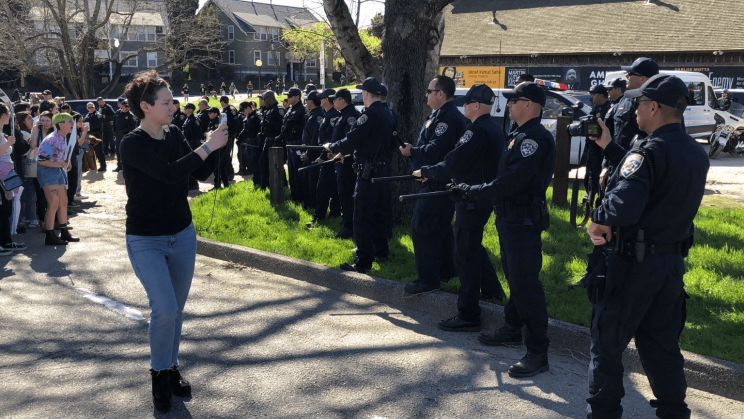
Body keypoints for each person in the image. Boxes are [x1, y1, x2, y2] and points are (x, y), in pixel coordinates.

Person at [584, 74, 709, 419]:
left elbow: (624, 206)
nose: (634, 109)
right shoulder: (695, 154)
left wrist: (598, 217)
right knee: (662, 347)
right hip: (669, 267)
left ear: (653, 107)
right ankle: (673, 412)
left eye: (639, 103)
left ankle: (604, 413)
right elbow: (655, 184)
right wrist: (611, 148)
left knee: (606, 346)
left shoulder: (647, 151)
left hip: (632, 268)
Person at [120, 70, 228, 412]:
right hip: (145, 238)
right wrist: (207, 145)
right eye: (166, 102)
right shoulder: (131, 143)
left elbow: (196, 174)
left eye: (172, 101)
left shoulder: (176, 132)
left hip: (182, 233)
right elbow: (167, 174)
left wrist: (218, 146)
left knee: (176, 311)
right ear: (146, 106)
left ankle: (171, 367)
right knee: (164, 308)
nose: (173, 106)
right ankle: (158, 374)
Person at [454, 82, 555, 378]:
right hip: (510, 220)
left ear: (530, 105)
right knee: (514, 277)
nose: (509, 105)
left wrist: (474, 190)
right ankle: (513, 327)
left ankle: (538, 353)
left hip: (523, 221)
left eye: (514, 101)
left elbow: (512, 180)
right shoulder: (518, 134)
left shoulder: (534, 138)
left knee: (526, 284)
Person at [413, 83, 506, 331]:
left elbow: (454, 160)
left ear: (476, 105)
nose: (463, 106)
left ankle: (468, 314)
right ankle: (493, 291)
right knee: (471, 246)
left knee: (464, 253)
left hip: (472, 199)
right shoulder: (495, 129)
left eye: (466, 103)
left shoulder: (475, 131)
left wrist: (428, 172)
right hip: (482, 196)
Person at [399, 75, 465, 295]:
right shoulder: (437, 116)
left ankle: (427, 280)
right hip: (432, 180)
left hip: (439, 183)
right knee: (441, 230)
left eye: (429, 91)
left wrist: (413, 152)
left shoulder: (448, 119)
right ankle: (447, 272)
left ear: (441, 94)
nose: (426, 94)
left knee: (422, 228)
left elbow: (437, 149)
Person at [324, 78, 394, 274]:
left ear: (366, 94)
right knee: (380, 213)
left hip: (367, 172)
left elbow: (353, 138)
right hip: (382, 171)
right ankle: (382, 251)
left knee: (362, 215)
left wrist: (333, 146)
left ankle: (363, 261)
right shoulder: (388, 113)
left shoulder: (369, 115)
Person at [35, 113, 77, 245]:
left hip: (57, 172)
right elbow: (41, 160)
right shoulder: (51, 139)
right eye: (69, 121)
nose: (72, 124)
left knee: (63, 202)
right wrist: (60, 164)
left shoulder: (62, 137)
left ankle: (64, 232)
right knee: (53, 204)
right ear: (61, 124)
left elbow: (56, 156)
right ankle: (50, 235)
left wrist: (65, 162)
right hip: (48, 173)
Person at [327, 88, 359, 239]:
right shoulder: (343, 115)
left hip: (347, 162)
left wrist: (342, 153)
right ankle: (347, 221)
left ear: (343, 100)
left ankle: (349, 227)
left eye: (335, 99)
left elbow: (352, 141)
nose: (333, 102)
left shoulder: (351, 116)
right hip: (339, 161)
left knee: (346, 194)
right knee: (343, 193)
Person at [307, 89, 341, 226]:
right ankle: (331, 214)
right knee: (330, 187)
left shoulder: (333, 117)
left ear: (327, 99)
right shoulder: (326, 115)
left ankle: (321, 216)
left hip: (330, 157)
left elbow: (331, 140)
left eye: (321, 98)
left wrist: (322, 157)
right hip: (327, 156)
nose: (320, 101)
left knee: (323, 188)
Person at [0, 103, 27, 254]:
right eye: (8, 114)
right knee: (2, 210)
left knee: (6, 210)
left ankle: (6, 241)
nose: (10, 117)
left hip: (6, 177)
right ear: (3, 116)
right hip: (1, 178)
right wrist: (9, 143)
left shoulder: (1, 132)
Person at [278, 87, 306, 203]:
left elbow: (304, 128)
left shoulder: (302, 110)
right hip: (289, 144)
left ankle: (301, 197)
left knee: (298, 172)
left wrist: (294, 128)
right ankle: (294, 195)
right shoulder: (290, 109)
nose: (287, 98)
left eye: (290, 96)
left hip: (297, 144)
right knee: (292, 172)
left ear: (297, 97)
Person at [257, 91, 284, 189]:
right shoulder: (269, 109)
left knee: (277, 164)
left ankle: (281, 185)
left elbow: (281, 126)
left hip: (275, 140)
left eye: (264, 99)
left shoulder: (278, 109)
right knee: (263, 162)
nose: (263, 101)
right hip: (267, 139)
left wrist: (268, 124)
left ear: (269, 98)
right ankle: (265, 186)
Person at [301, 90, 323, 210]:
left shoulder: (318, 115)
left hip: (313, 153)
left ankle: (313, 205)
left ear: (312, 101)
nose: (306, 102)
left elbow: (315, 136)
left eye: (307, 100)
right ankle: (308, 203)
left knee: (312, 181)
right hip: (307, 150)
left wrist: (309, 153)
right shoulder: (312, 113)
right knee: (307, 180)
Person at [113, 100, 137, 172]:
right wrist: (114, 131)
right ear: (122, 106)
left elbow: (133, 126)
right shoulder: (117, 113)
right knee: (118, 151)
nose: (127, 108)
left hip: (126, 136)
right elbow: (114, 122)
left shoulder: (131, 115)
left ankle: (127, 166)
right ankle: (119, 166)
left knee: (126, 151)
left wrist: (123, 130)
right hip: (118, 136)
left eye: (128, 106)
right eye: (125, 106)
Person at [84, 102, 106, 171]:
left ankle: (103, 166)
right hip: (89, 135)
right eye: (89, 107)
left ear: (94, 107)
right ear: (87, 108)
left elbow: (99, 125)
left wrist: (89, 126)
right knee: (90, 152)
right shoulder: (87, 115)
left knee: (99, 151)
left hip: (96, 135)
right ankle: (92, 166)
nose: (90, 109)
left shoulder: (97, 115)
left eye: (92, 107)